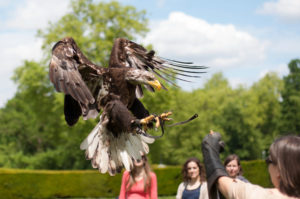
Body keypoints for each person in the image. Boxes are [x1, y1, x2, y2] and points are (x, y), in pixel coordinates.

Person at [201, 131, 300, 199]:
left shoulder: (261, 196)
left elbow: (221, 181)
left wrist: (210, 151)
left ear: (279, 170)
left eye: (269, 160)